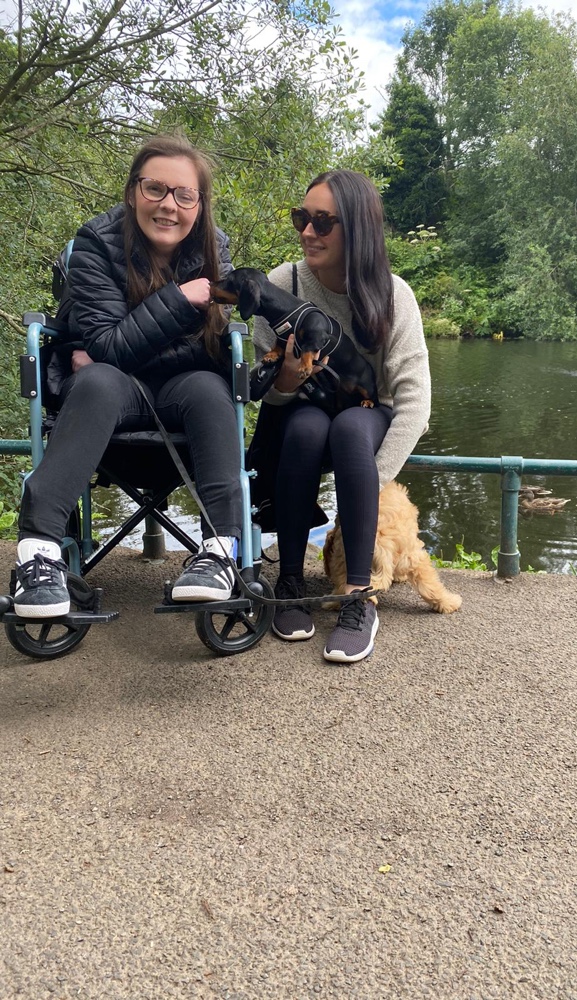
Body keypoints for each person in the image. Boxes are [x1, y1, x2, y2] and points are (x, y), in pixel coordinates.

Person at [14, 134, 242, 618]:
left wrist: (115, 349)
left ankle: (220, 552)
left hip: (184, 391)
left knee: (210, 388)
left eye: (184, 195)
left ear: (200, 205)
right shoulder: (95, 243)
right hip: (110, 395)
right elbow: (108, 348)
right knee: (98, 381)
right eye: (155, 188)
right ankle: (38, 554)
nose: (168, 205)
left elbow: (204, 350)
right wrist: (180, 301)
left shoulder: (214, 249)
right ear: (133, 191)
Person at [249, 169, 431, 663]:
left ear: (359, 229)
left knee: (350, 429)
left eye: (323, 222)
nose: (308, 232)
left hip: (367, 417)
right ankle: (289, 581)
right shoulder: (283, 284)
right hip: (302, 413)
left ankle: (359, 595)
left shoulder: (394, 295)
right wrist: (286, 382)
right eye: (302, 218)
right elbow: (268, 397)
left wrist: (369, 484)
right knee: (307, 428)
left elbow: (414, 402)